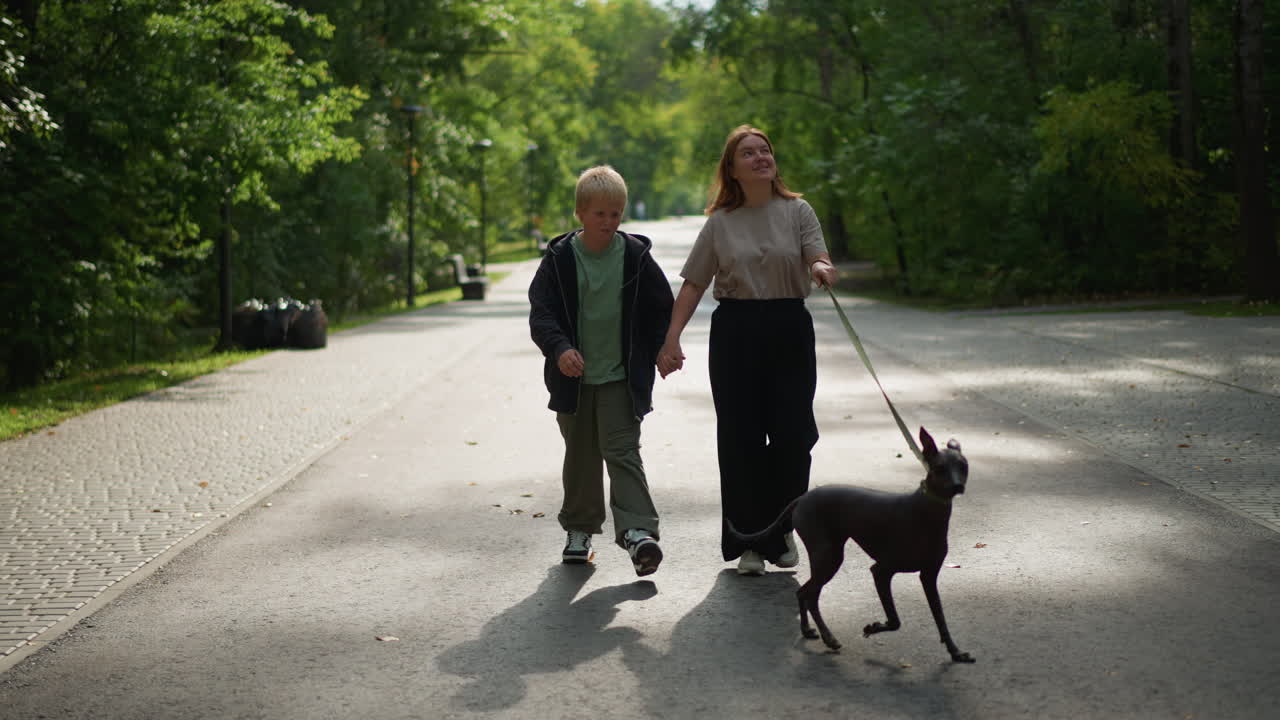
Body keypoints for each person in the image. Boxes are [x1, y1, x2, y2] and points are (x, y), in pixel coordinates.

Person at [657, 125, 837, 576]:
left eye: (765, 150)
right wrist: (671, 338)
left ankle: (782, 528)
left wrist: (819, 266)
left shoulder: (798, 211)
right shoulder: (720, 223)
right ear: (733, 171)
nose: (760, 157)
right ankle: (750, 542)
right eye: (749, 153)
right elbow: (695, 282)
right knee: (741, 439)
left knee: (795, 435)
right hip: (736, 331)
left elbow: (817, 254)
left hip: (789, 327)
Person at [529, 165, 675, 576]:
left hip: (620, 378)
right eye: (600, 214)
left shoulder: (634, 257)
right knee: (581, 456)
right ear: (580, 213)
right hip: (572, 379)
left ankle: (638, 533)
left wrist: (666, 346)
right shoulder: (558, 260)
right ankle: (579, 530)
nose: (609, 222)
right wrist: (559, 349)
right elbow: (542, 315)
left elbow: (660, 310)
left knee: (623, 452)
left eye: (616, 213)